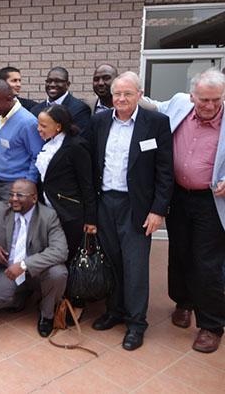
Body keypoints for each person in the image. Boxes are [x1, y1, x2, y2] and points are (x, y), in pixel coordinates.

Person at [90, 71, 173, 351]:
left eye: (127, 93)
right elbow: (92, 163)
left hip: (137, 206)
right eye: (117, 94)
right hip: (105, 202)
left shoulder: (156, 123)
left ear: (140, 95)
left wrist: (158, 210)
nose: (121, 99)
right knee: (112, 261)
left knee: (135, 266)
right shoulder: (100, 121)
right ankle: (114, 311)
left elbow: (165, 171)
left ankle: (136, 323)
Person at [149, 68, 225, 353]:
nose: (210, 106)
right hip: (178, 196)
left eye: (216, 99)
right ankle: (183, 302)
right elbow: (153, 105)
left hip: (211, 200)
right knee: (179, 253)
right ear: (192, 96)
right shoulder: (180, 103)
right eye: (204, 100)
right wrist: (126, 92)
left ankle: (212, 325)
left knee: (207, 263)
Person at [0, 179, 68, 338]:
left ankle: (47, 314)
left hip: (38, 271)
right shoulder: (0, 210)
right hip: (9, 271)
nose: (13, 199)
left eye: (19, 195)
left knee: (58, 273)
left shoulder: (48, 216)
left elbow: (60, 251)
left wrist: (24, 264)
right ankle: (20, 299)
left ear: (34, 198)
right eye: (12, 194)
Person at [35, 104, 97, 318]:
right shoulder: (49, 144)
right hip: (48, 213)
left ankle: (75, 302)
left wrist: (91, 219)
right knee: (52, 258)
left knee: (72, 259)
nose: (39, 129)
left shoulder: (77, 147)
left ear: (59, 126)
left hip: (70, 214)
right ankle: (53, 300)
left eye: (44, 125)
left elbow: (88, 186)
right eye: (39, 124)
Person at [0, 79, 44, 202]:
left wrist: (27, 185)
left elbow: (37, 156)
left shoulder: (28, 122)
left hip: (16, 186)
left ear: (9, 99)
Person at [30, 67, 92, 141]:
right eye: (49, 81)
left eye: (57, 81)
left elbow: (80, 141)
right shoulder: (35, 110)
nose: (52, 84)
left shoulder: (80, 109)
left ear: (67, 84)